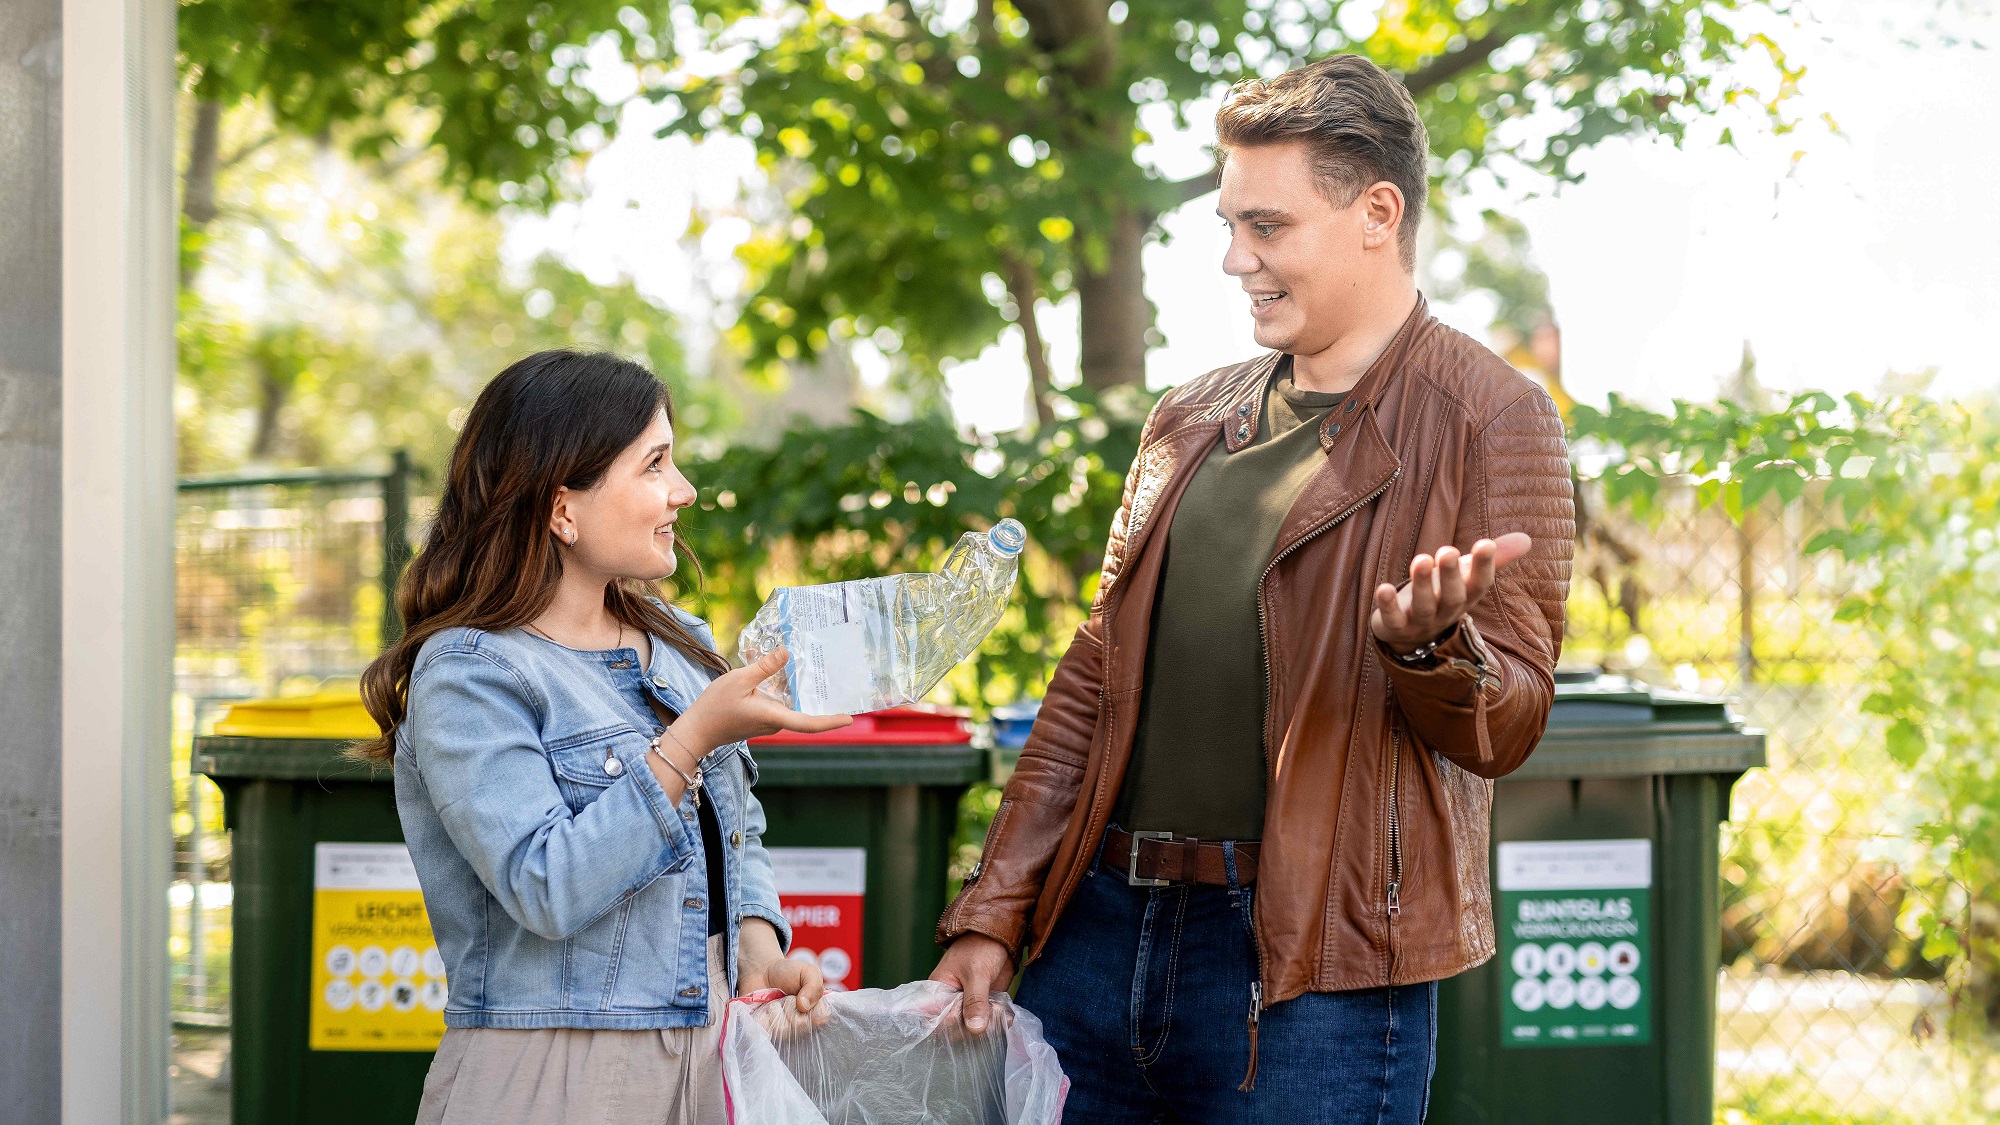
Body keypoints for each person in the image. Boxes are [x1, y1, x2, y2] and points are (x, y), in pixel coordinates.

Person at [931, 54, 1576, 1123]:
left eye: (1265, 227)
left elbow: (1508, 724)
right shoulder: (1187, 418)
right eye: (1228, 225)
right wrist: (993, 910)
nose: (1235, 259)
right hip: (1092, 941)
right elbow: (1095, 679)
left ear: (1376, 213)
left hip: (1305, 977)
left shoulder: (1489, 414)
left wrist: (1430, 651)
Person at [356, 350, 851, 1125]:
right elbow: (546, 886)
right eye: (655, 464)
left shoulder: (682, 642)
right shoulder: (470, 674)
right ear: (563, 507)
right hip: (555, 1077)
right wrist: (689, 741)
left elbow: (737, 829)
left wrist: (756, 943)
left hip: (711, 1055)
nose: (683, 489)